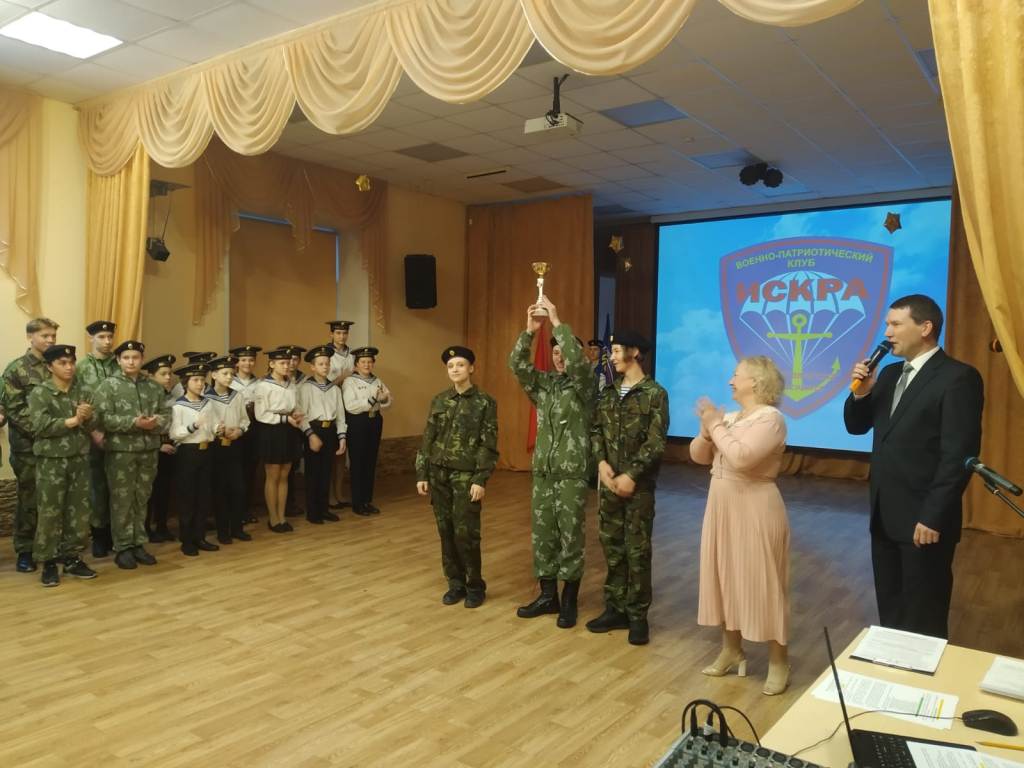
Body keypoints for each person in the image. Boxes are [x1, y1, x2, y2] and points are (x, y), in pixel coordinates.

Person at [845, 294, 983, 639]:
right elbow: (856, 427)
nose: (886, 333)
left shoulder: (958, 378)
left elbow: (958, 456)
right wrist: (861, 393)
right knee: (891, 607)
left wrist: (933, 516)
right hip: (884, 515)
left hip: (925, 519)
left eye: (895, 324)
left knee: (924, 614)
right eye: (886, 325)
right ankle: (894, 669)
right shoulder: (890, 374)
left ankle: (923, 674)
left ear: (925, 328)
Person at [690, 356, 791, 695]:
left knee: (765, 583)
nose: (731, 381)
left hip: (755, 508)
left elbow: (742, 458)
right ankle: (732, 650)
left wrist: (715, 426)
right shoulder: (731, 418)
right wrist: (706, 430)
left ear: (756, 382)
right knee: (724, 577)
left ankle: (779, 661)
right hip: (722, 508)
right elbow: (697, 456)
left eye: (736, 375)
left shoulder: (771, 419)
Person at [508, 297, 596, 628]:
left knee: (571, 535)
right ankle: (548, 596)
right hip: (544, 474)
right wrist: (530, 332)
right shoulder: (544, 386)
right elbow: (517, 366)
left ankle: (569, 600)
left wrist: (557, 321)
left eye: (565, 351)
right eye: (555, 352)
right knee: (543, 535)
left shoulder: (585, 386)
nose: (560, 357)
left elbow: (579, 366)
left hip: (572, 473)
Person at [586, 329, 669, 646]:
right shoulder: (608, 393)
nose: (612, 357)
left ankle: (637, 617)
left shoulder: (655, 394)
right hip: (609, 485)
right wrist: (600, 462)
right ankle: (615, 609)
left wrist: (632, 474)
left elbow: (656, 441)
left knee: (637, 551)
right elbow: (596, 430)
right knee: (612, 548)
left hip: (639, 489)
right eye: (612, 351)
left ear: (635, 352)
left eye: (618, 350)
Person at [415, 346, 499, 608]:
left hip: (465, 476)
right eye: (451, 366)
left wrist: (480, 479)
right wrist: (422, 472)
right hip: (439, 475)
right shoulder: (439, 400)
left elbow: (488, 444)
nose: (455, 369)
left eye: (460, 365)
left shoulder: (485, 402)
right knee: (446, 531)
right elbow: (428, 438)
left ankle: (475, 586)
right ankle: (455, 583)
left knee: (466, 534)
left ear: (471, 368)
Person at [93, 340, 170, 570]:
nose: (131, 362)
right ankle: (123, 547)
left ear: (141, 359)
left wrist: (155, 423)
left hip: (148, 451)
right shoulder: (108, 386)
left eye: (135, 357)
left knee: (142, 498)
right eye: (126, 358)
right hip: (121, 452)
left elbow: (166, 414)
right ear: (118, 360)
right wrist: (133, 422)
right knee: (122, 500)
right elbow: (102, 419)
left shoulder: (153, 387)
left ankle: (138, 543)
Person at [28, 344, 97, 587]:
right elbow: (39, 426)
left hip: (79, 458)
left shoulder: (83, 391)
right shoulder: (40, 393)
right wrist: (73, 420)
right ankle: (48, 561)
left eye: (71, 362)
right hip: (52, 461)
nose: (69, 367)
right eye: (62, 363)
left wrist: (89, 417)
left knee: (78, 511)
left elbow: (93, 426)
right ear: (50, 367)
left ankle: (72, 557)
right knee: (50, 512)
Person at [3, 317, 58, 573]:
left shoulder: (59, 365)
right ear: (30, 337)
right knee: (30, 498)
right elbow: (15, 410)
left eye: (53, 336)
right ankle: (25, 549)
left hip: (57, 447)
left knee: (53, 499)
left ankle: (50, 548)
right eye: (45, 336)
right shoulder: (17, 369)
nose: (50, 340)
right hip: (29, 447)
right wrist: (48, 429)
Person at [76, 320, 119, 558]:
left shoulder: (120, 363)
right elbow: (77, 401)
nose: (107, 341)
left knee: (119, 486)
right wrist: (93, 432)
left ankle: (117, 534)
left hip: (119, 435)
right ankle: (99, 536)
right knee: (96, 488)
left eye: (110, 336)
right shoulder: (81, 368)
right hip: (92, 437)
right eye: (102, 337)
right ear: (91, 338)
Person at [170, 362, 220, 556]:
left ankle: (200, 537)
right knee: (188, 497)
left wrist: (218, 428)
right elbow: (175, 433)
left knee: (203, 496)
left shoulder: (208, 403)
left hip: (207, 450)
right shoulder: (179, 406)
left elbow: (212, 424)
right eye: (195, 380)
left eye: (202, 380)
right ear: (186, 383)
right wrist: (192, 426)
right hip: (188, 453)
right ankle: (187, 539)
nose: (200, 384)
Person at [253, 348, 303, 533]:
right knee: (273, 475)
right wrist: (285, 418)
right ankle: (273, 518)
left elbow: (294, 406)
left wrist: (296, 413)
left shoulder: (291, 384)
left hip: (289, 430)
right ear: (272, 364)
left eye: (288, 363)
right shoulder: (263, 385)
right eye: (282, 363)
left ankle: (282, 516)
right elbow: (261, 414)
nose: (286, 366)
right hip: (271, 431)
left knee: (284, 475)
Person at [296, 345, 347, 525]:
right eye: (320, 364)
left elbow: (340, 416)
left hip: (330, 431)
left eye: (327, 363)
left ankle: (324, 509)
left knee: (326, 471)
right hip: (314, 430)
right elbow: (301, 415)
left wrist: (342, 437)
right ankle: (313, 511)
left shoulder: (334, 389)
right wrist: (310, 434)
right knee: (313, 473)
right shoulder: (305, 388)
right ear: (312, 367)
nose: (325, 367)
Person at [205, 355, 252, 544]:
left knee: (238, 488)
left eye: (231, 373)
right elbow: (206, 423)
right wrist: (219, 430)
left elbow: (245, 420)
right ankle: (223, 531)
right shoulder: (206, 397)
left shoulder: (237, 395)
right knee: (220, 489)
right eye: (225, 373)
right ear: (214, 375)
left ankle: (237, 528)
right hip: (216, 447)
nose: (229, 377)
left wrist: (240, 430)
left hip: (235, 445)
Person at [342, 347, 391, 516]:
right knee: (358, 463)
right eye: (363, 362)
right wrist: (372, 399)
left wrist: (383, 400)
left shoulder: (377, 380)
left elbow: (388, 400)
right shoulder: (350, 382)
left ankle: (367, 501)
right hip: (358, 423)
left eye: (370, 362)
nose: (367, 365)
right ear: (356, 365)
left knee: (370, 462)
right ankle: (357, 503)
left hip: (374, 421)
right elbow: (351, 406)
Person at [142, 354, 178, 542]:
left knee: (164, 490)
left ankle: (163, 526)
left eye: (169, 373)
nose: (168, 377)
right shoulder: (146, 397)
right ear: (151, 376)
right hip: (153, 447)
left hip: (171, 445)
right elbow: (145, 426)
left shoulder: (172, 395)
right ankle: (146, 528)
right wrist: (159, 445)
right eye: (163, 374)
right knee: (149, 492)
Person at [229, 344, 262, 524]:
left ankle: (246, 509)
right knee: (236, 472)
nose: (247, 363)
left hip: (254, 430)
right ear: (237, 363)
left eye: (250, 360)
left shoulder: (260, 383)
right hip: (235, 430)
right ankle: (234, 510)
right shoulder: (230, 382)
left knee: (250, 471)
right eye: (243, 360)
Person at [327, 321, 355, 510]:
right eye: (338, 333)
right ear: (331, 334)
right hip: (332, 406)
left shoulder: (353, 355)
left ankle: (339, 492)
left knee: (342, 454)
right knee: (332, 453)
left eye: (344, 333)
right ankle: (329, 495)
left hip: (350, 407)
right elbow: (324, 384)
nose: (342, 336)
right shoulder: (326, 354)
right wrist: (342, 378)